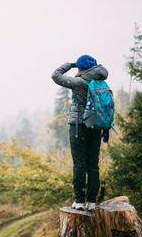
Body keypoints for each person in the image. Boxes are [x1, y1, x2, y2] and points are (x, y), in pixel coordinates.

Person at [51, 55, 109, 211]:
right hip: (96, 128)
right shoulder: (101, 83)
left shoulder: (79, 82)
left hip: (79, 127)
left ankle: (78, 201)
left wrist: (69, 65)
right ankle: (91, 202)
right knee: (93, 166)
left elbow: (55, 75)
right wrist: (105, 129)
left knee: (79, 164)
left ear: (81, 67)